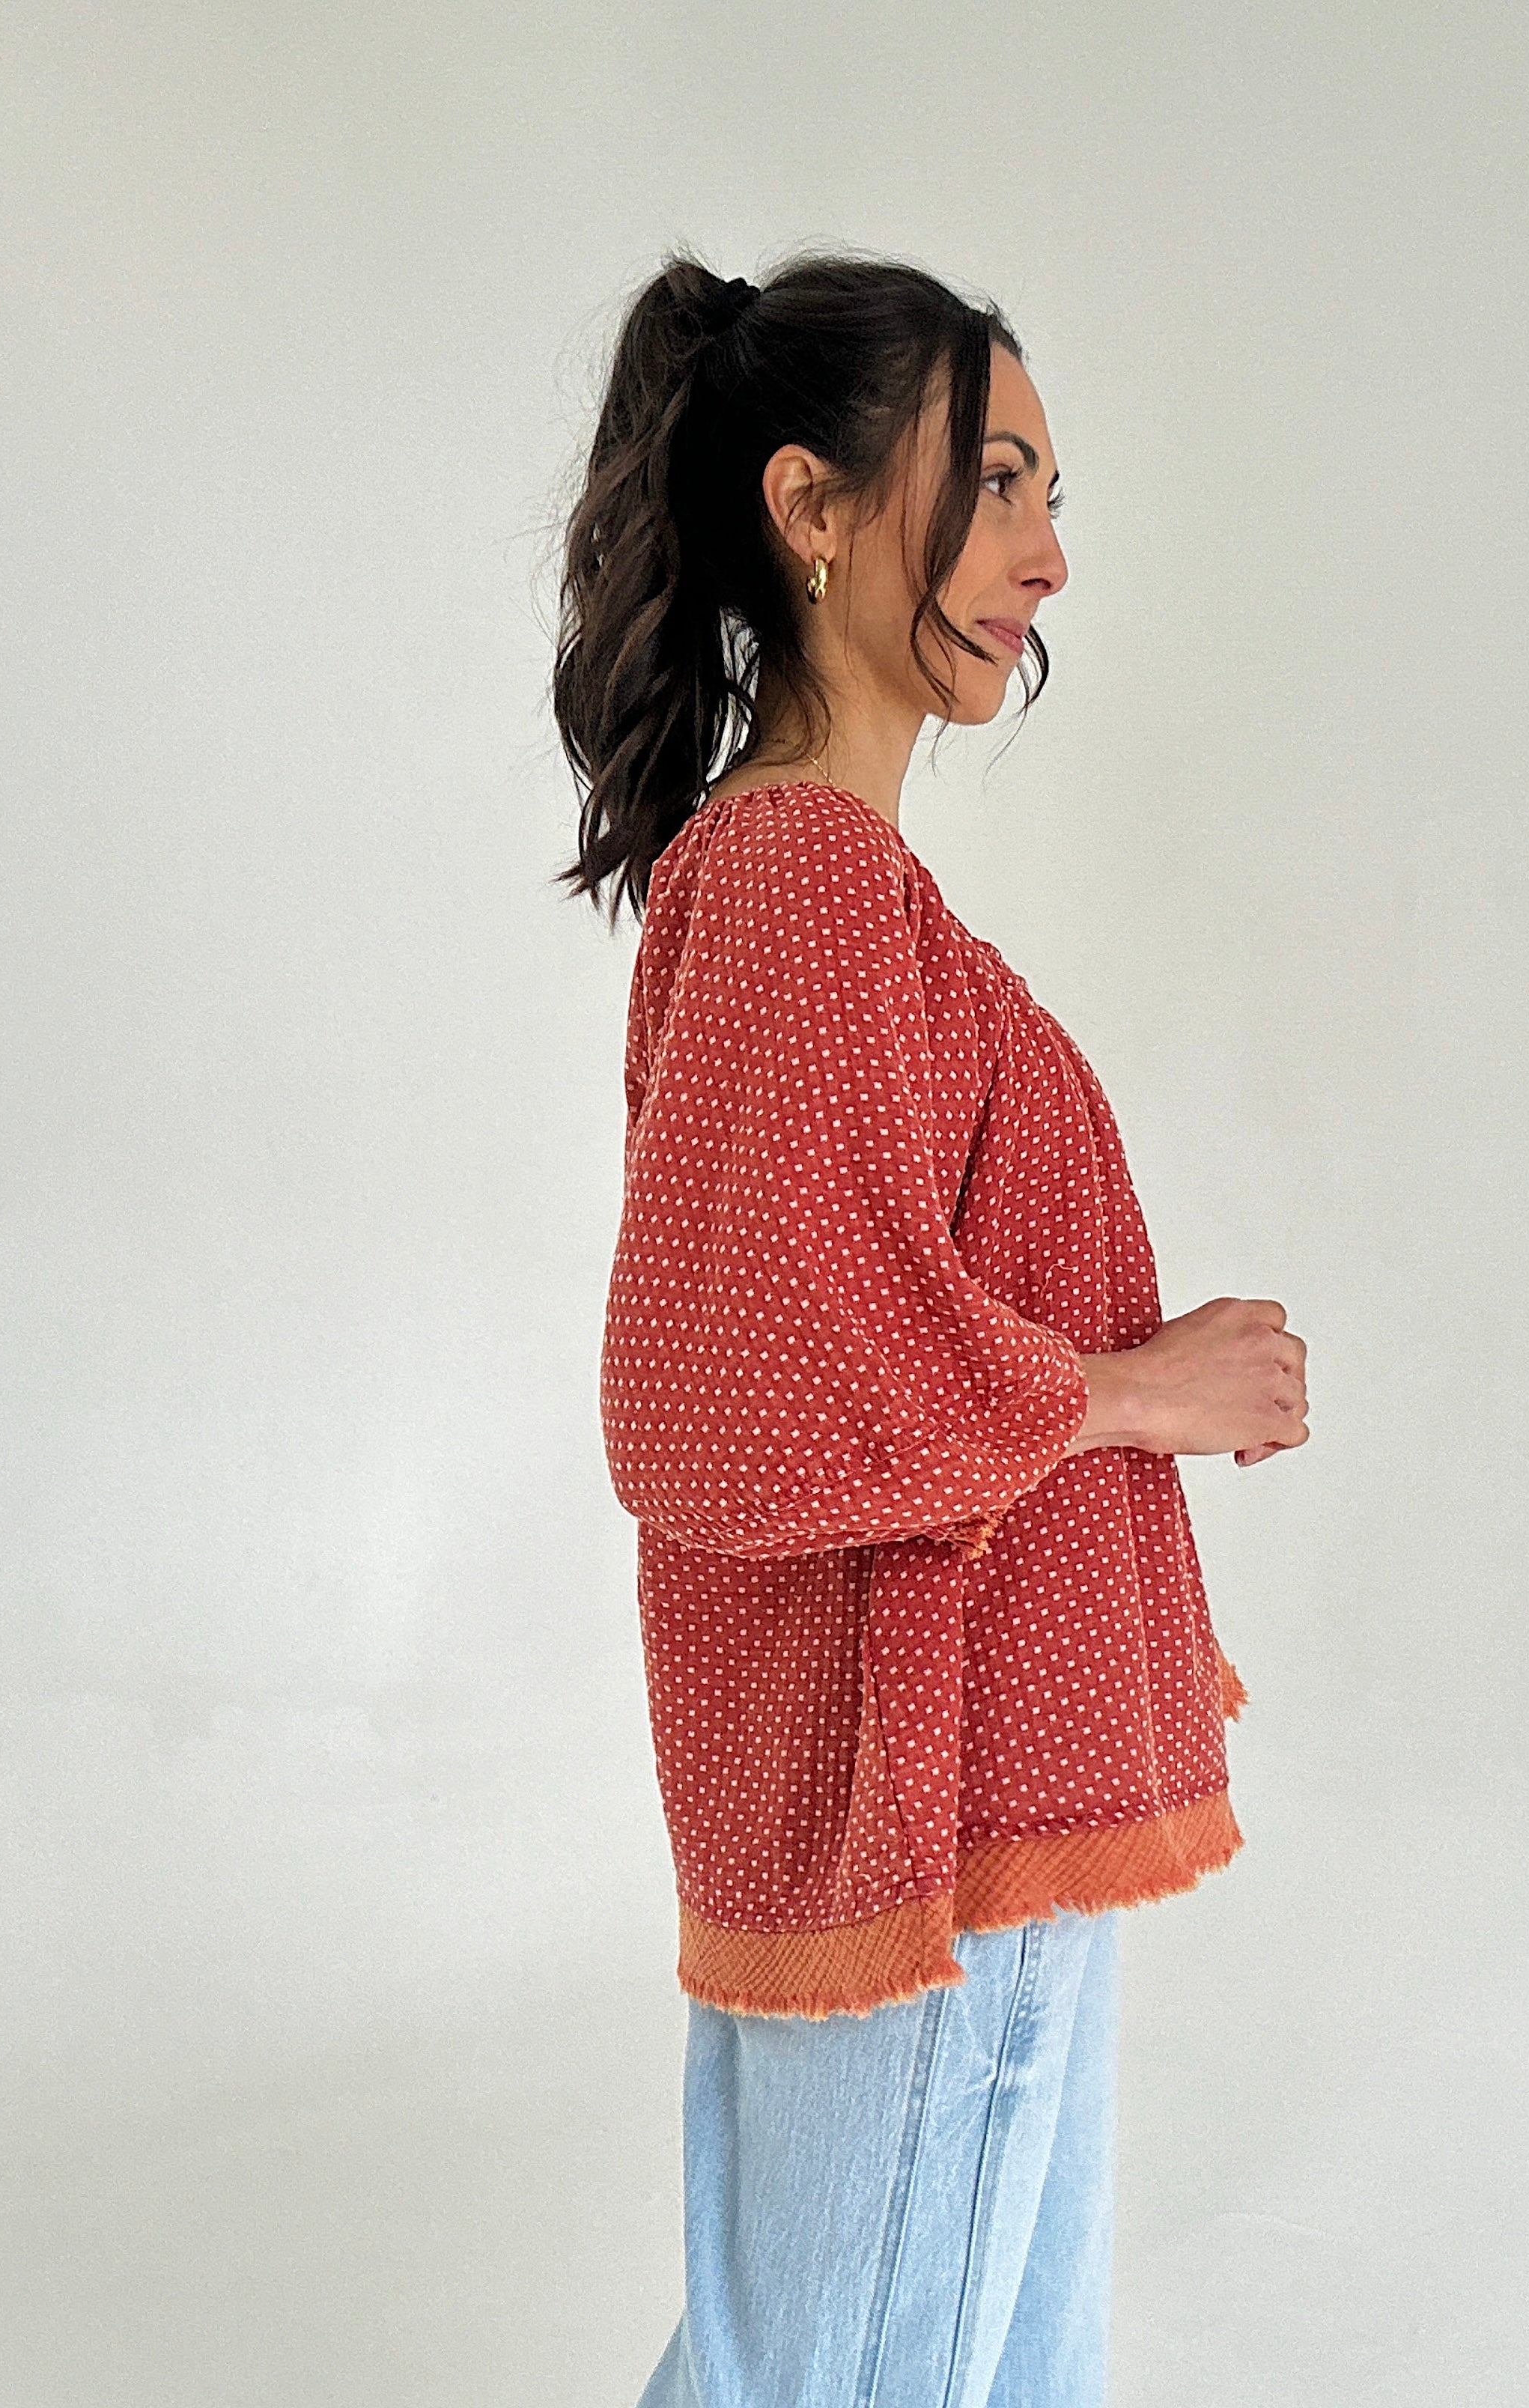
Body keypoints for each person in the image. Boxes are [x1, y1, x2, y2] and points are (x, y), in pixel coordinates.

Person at [550, 249, 1309, 2408]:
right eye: (994, 483)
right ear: (809, 504)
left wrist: (1100, 1369)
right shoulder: (797, 881)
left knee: (886, 2367)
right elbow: (734, 1389)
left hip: (943, 1798)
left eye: (1052, 495)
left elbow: (830, 1313)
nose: (1048, 558)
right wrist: (1138, 1394)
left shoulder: (833, 891)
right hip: (927, 1813)